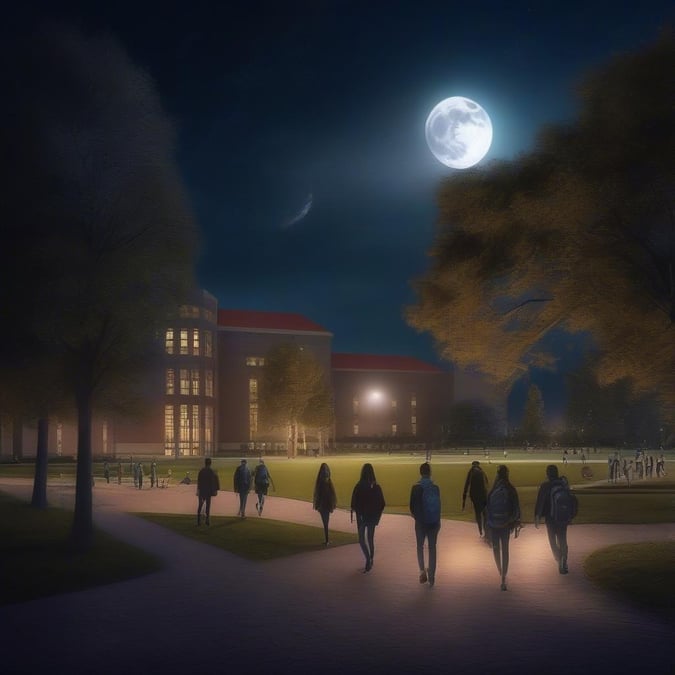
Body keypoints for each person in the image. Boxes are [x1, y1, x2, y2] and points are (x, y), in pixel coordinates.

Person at [534, 464, 575, 574]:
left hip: (550, 518)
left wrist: (537, 516)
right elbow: (570, 500)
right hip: (562, 517)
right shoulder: (563, 484)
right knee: (562, 539)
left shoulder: (545, 486)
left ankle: (559, 558)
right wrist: (570, 515)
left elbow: (540, 502)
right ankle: (564, 561)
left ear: (547, 474)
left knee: (552, 541)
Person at [486, 465, 521, 591]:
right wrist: (514, 522)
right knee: (505, 549)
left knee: (496, 549)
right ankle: (503, 578)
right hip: (505, 524)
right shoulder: (510, 489)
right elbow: (516, 509)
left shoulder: (493, 490)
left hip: (494, 523)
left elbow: (487, 509)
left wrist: (488, 526)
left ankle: (500, 571)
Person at [409, 462, 441, 586]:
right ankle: (432, 576)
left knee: (420, 547)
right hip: (434, 522)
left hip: (421, 522)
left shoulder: (416, 487)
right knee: (432, 548)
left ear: (420, 472)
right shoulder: (436, 487)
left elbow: (412, 508)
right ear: (430, 473)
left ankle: (422, 571)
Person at [350, 463, 385, 572]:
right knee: (370, 538)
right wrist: (376, 514)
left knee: (361, 539)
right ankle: (371, 559)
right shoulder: (376, 486)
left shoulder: (359, 486)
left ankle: (367, 559)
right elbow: (382, 503)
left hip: (362, 516)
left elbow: (354, 503)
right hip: (372, 516)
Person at [461, 460, 489, 538]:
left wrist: (464, 499)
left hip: (475, 497)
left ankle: (480, 531)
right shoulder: (481, 471)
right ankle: (486, 532)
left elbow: (467, 485)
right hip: (483, 496)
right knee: (485, 514)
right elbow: (486, 482)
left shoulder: (471, 472)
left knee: (478, 514)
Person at [313, 463, 337, 545]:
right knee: (326, 522)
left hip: (323, 504)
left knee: (325, 522)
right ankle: (327, 540)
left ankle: (327, 540)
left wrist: (318, 504)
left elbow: (319, 494)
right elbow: (331, 494)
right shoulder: (328, 482)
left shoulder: (321, 482)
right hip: (326, 504)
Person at [197, 457, 220, 526]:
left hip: (202, 491)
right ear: (210, 463)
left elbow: (199, 482)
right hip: (208, 491)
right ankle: (207, 520)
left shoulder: (201, 471)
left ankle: (198, 520)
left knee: (200, 505)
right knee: (208, 505)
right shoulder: (212, 471)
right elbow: (214, 482)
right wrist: (215, 490)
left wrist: (198, 490)